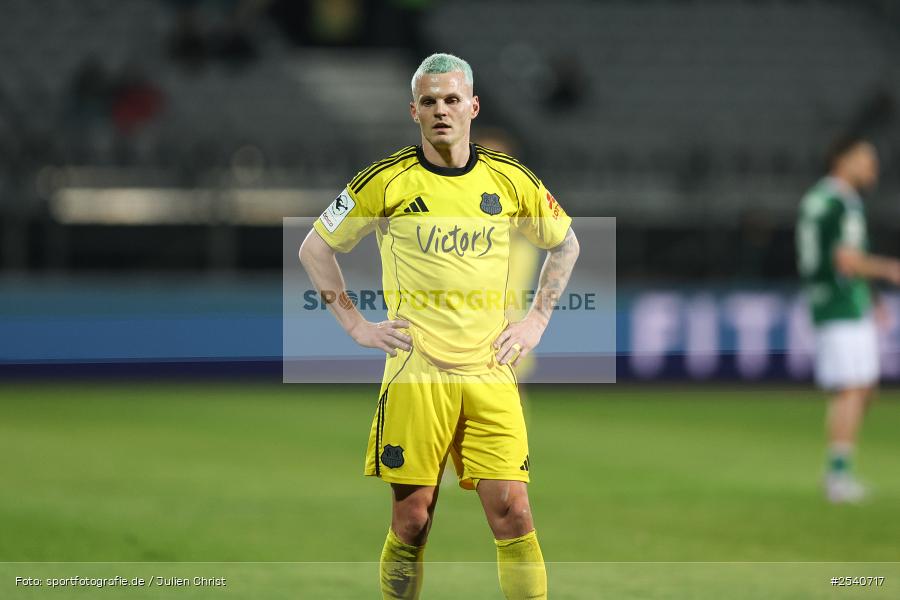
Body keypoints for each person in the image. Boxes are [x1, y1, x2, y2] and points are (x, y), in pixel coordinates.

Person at [299, 53, 579, 599]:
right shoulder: (386, 181)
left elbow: (565, 242)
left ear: (473, 106)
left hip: (491, 370)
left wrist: (536, 322)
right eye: (430, 102)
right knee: (413, 520)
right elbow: (314, 247)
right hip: (416, 373)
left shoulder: (511, 179)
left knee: (514, 511)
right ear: (414, 111)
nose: (442, 110)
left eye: (452, 100)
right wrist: (356, 326)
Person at [796, 135, 900, 503]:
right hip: (839, 304)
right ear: (844, 160)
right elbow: (846, 260)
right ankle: (837, 477)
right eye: (866, 159)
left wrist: (872, 298)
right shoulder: (840, 202)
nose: (874, 167)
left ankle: (839, 470)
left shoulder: (821, 199)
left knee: (862, 387)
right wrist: (889, 270)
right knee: (852, 388)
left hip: (843, 301)